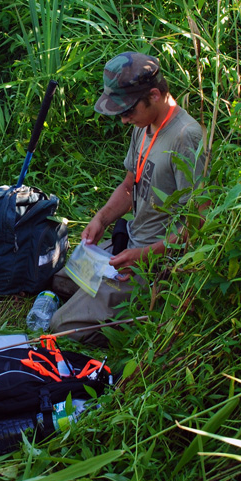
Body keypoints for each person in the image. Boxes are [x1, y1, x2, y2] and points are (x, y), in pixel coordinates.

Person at [50, 51, 205, 343]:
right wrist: (102, 219)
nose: (123, 120)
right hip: (129, 243)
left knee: (61, 327)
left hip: (154, 261)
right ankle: (100, 300)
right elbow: (129, 185)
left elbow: (199, 224)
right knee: (58, 279)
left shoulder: (186, 137)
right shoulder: (143, 125)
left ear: (155, 95)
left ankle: (149, 309)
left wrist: (144, 256)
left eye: (128, 110)